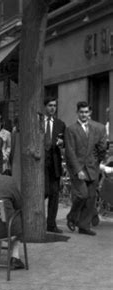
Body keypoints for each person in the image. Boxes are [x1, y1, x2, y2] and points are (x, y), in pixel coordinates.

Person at [64, 101, 108, 236]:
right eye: (81, 112)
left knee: (90, 197)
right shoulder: (71, 129)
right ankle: (72, 216)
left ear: (90, 113)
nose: (84, 114)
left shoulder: (97, 128)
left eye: (86, 112)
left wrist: (97, 162)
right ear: (77, 113)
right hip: (78, 168)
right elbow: (70, 152)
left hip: (92, 167)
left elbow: (102, 148)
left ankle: (84, 226)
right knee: (82, 194)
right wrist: (78, 170)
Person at [43, 98, 66, 233]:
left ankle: (51, 224)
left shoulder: (60, 124)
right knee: (43, 193)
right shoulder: (38, 122)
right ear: (45, 107)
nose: (53, 108)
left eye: (55, 106)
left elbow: (65, 143)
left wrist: (61, 143)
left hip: (54, 164)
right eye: (50, 105)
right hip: (40, 165)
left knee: (54, 194)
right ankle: (38, 221)